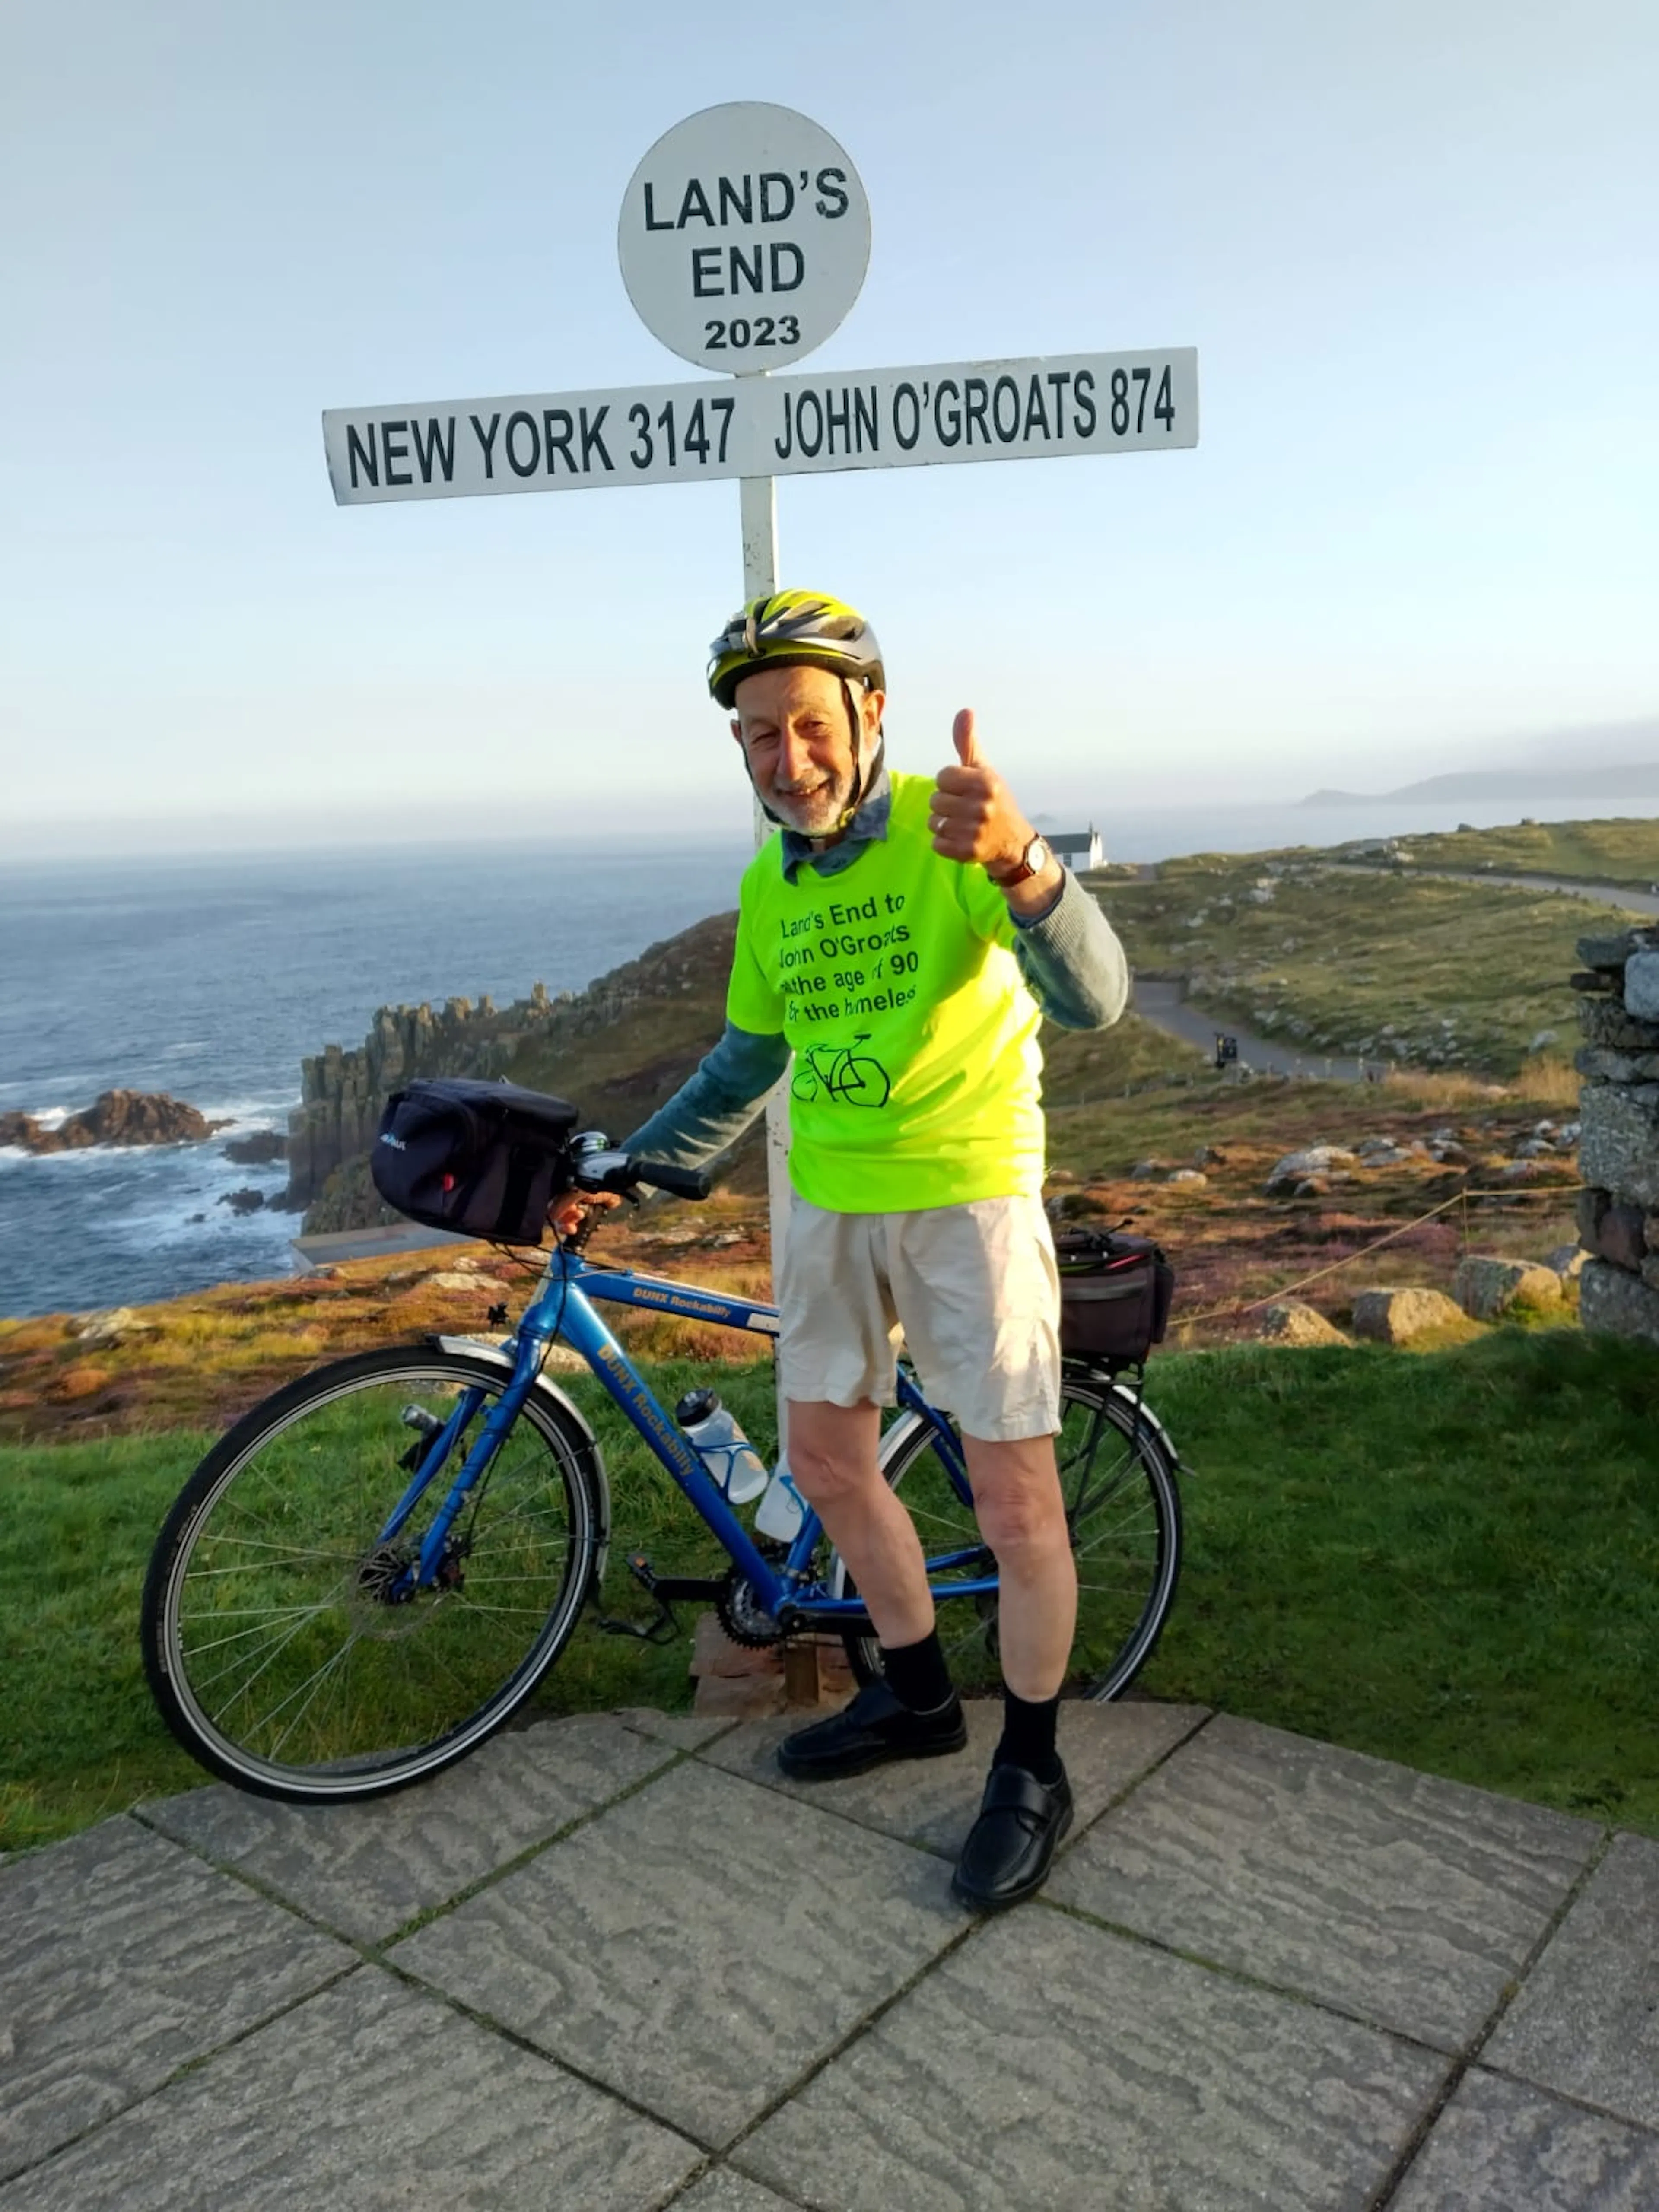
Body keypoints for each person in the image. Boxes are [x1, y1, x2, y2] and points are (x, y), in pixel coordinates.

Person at [597, 590, 1128, 1907]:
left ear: (871, 716)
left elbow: (1097, 998)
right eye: (760, 735)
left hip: (967, 1199)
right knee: (831, 1466)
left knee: (1013, 1505)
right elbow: (747, 1062)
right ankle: (916, 1695)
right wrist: (630, 1172)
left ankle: (1033, 1768)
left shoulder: (955, 841)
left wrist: (1025, 866)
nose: (790, 758)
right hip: (825, 1204)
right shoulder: (770, 881)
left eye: (812, 726)